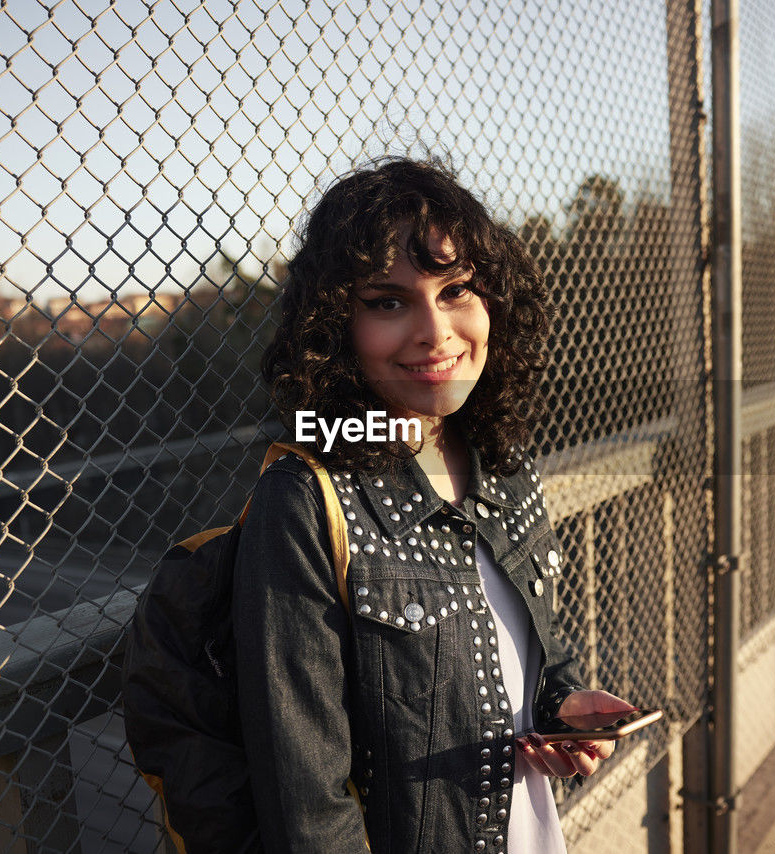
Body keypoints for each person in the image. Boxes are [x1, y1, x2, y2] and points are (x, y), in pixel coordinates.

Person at [238, 156, 636, 853]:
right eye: (388, 301)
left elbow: (517, 646)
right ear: (334, 325)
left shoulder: (505, 468)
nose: (436, 332)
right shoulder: (303, 500)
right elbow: (308, 809)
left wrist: (559, 703)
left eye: (456, 290)